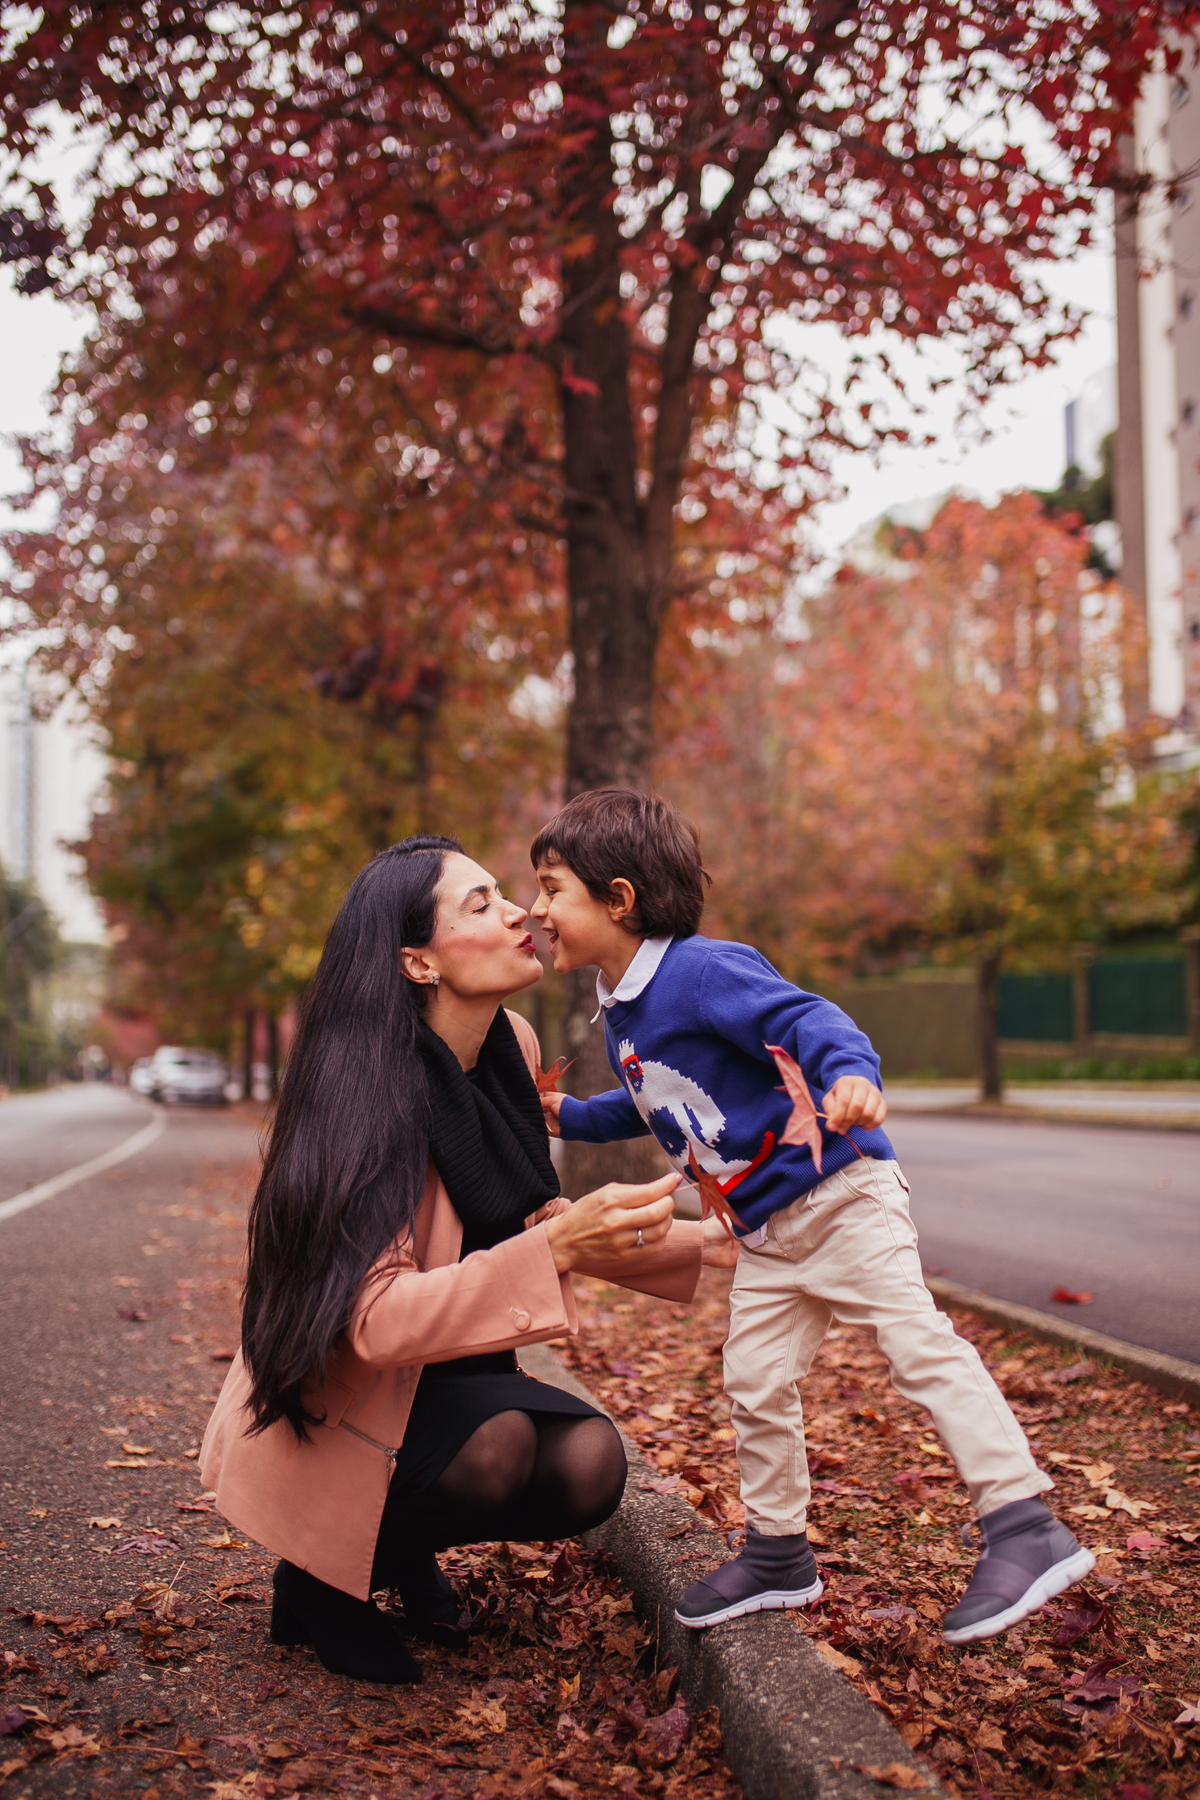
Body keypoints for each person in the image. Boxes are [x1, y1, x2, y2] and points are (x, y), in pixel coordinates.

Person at [532, 789, 1095, 1646]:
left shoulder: (701, 970)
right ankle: (779, 1553)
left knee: (919, 1349)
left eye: (550, 887)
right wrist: (570, 1117)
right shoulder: (623, 1007)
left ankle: (1024, 1525)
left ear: (618, 899)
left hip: (840, 1199)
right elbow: (654, 1103)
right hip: (765, 1239)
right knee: (754, 1380)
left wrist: (851, 1073)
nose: (536, 909)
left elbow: (809, 1017)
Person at [200, 834, 731, 1685]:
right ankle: (321, 1584)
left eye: (504, 892)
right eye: (480, 904)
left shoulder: (507, 1046)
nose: (519, 909)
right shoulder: (367, 1096)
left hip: (452, 1372)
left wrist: (708, 1244)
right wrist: (555, 1244)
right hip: (353, 1392)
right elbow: (372, 1321)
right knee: (500, 1448)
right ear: (418, 963)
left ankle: (396, 1548)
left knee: (591, 1467)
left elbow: (528, 1209)